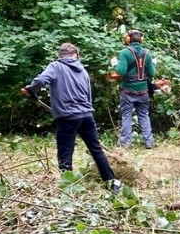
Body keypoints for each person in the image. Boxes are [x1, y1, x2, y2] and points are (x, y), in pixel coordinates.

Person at [22, 42, 120, 191]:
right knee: (96, 150)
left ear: (59, 55)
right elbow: (88, 95)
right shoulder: (82, 70)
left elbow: (41, 80)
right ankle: (112, 182)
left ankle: (67, 188)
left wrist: (30, 89)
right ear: (77, 55)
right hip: (86, 115)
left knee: (65, 154)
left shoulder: (55, 66)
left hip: (67, 118)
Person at [112, 29, 156, 149]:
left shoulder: (125, 52)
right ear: (141, 39)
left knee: (126, 115)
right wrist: (154, 64)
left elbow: (121, 71)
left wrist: (114, 64)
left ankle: (125, 143)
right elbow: (152, 73)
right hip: (143, 91)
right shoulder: (147, 53)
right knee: (144, 115)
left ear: (128, 39)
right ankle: (149, 142)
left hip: (127, 91)